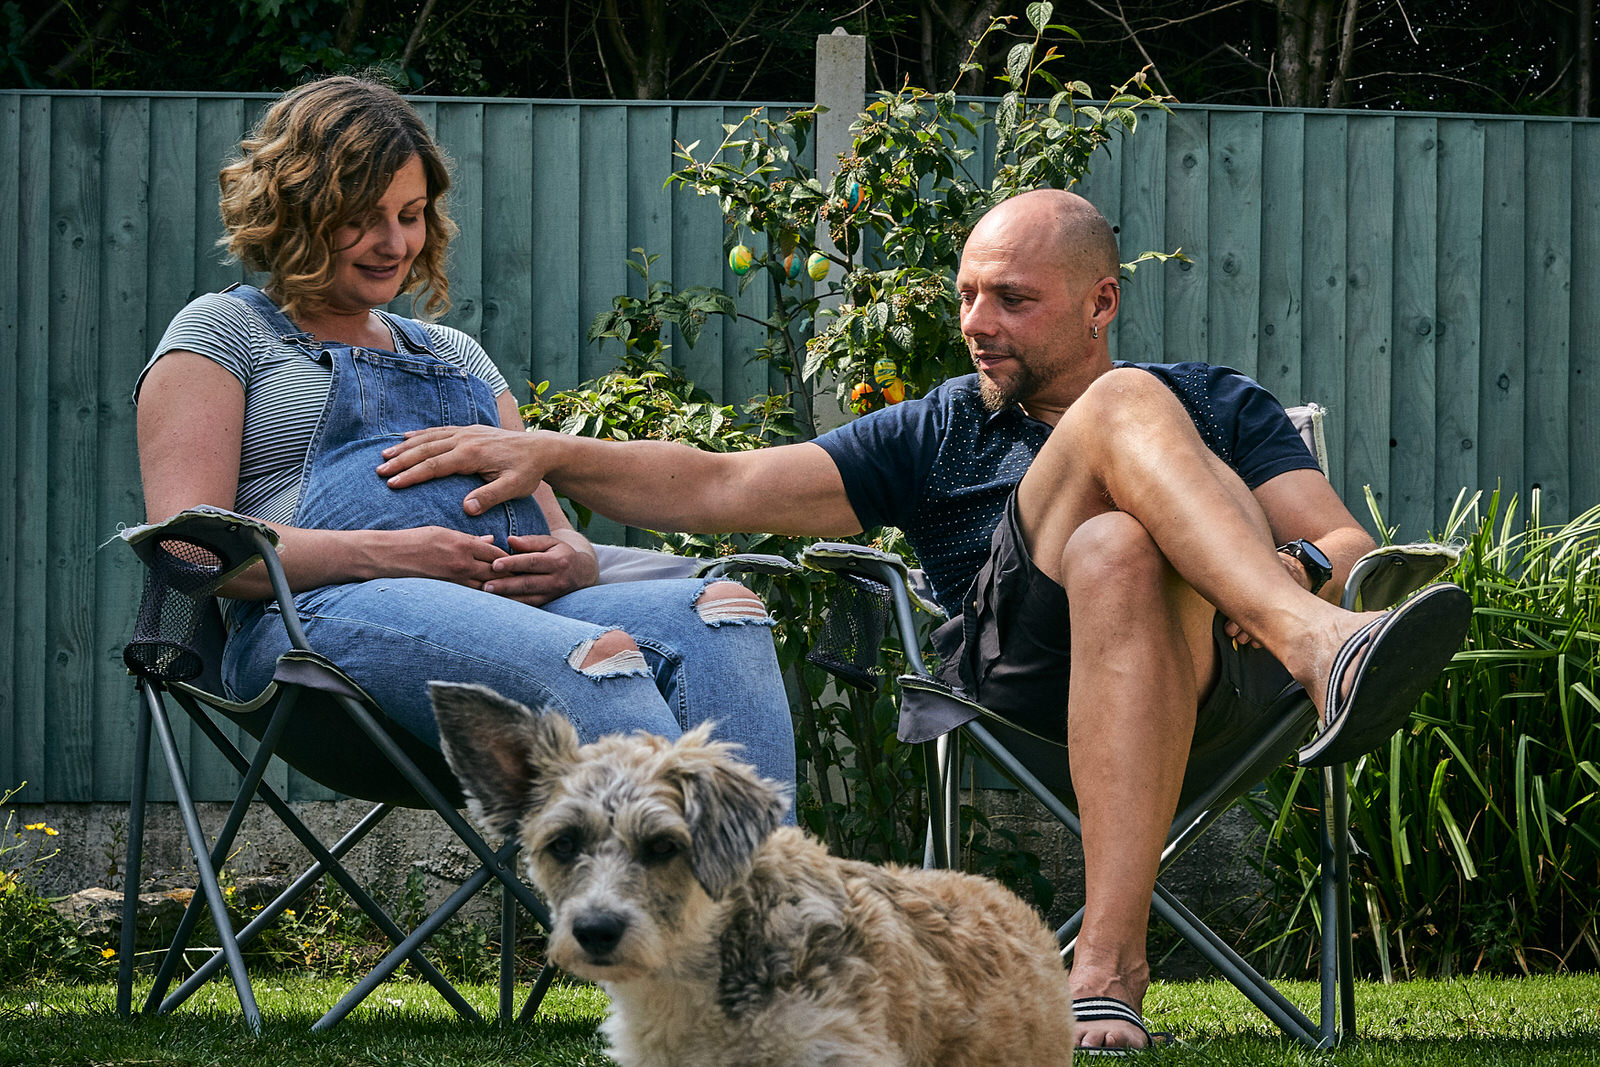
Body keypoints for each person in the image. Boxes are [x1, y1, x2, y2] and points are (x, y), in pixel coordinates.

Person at [377, 188, 1471, 1052]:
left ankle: (1124, 937)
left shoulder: (1220, 399)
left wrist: (1282, 567)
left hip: (1216, 680)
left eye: (1013, 299)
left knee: (1123, 524)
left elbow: (1344, 548)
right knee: (1122, 439)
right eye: (967, 294)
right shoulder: (937, 431)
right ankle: (1316, 660)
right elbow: (721, 484)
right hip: (1025, 678)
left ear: (1101, 302)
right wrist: (551, 453)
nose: (976, 325)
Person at [134, 74, 795, 794]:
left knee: (725, 616)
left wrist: (571, 558)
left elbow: (553, 525)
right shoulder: (225, 332)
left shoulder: (454, 355)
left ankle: (748, 898)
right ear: (297, 209)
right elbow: (192, 546)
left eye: (411, 215)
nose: (395, 243)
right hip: (309, 633)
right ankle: (697, 889)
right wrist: (391, 555)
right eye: (363, 216)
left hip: (519, 612)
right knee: (595, 662)